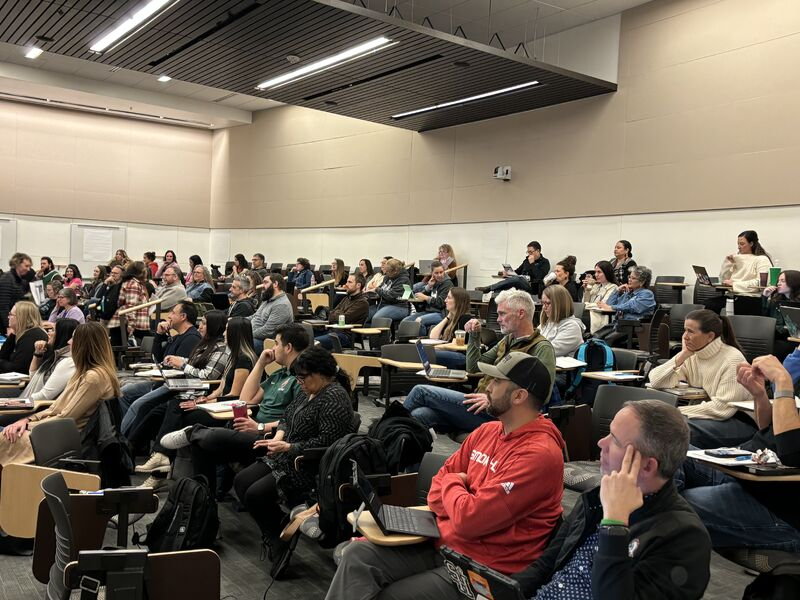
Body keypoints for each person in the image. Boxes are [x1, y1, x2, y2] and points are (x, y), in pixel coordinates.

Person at [326, 353, 565, 600]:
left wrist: (453, 483)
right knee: (358, 558)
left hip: (485, 568)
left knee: (392, 596)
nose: (487, 387)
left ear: (519, 396)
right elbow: (435, 492)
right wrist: (457, 488)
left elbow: (469, 520)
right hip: (444, 542)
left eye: (496, 382)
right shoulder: (487, 431)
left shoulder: (539, 455)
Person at [512, 399, 711, 599]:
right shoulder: (597, 498)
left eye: (615, 440)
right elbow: (547, 563)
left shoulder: (685, 538)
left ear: (647, 466)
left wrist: (614, 524)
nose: (601, 443)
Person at [233, 346, 354, 564]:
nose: (299, 381)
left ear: (319, 373)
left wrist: (289, 447)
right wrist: (278, 438)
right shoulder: (309, 391)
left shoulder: (335, 397)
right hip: (286, 456)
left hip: (308, 464)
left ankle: (278, 538)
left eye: (303, 377)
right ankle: (279, 527)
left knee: (255, 494)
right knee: (241, 481)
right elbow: (286, 418)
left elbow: (326, 443)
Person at [159, 323, 308, 497]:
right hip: (250, 429)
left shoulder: (301, 380)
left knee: (207, 435)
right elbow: (245, 399)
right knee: (200, 446)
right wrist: (260, 364)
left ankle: (192, 432)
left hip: (267, 438)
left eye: (276, 343)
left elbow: (296, 419)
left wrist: (260, 428)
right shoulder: (279, 374)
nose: (273, 348)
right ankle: (205, 504)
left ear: (288, 347)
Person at [677, 355, 800, 553]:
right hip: (745, 471)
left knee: (676, 504)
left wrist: (782, 381)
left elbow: (792, 453)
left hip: (778, 505)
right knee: (661, 445)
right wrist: (759, 395)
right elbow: (769, 430)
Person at [404, 289, 556, 434]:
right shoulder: (508, 340)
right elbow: (474, 368)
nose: (498, 320)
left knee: (420, 391)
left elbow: (543, 396)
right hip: (481, 403)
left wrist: (493, 400)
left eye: (502, 314)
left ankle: (382, 441)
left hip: (502, 413)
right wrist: (475, 336)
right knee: (420, 414)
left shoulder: (541, 347)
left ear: (521, 313)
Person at [146, 317, 258, 481]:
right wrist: (204, 399)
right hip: (219, 404)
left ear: (235, 333)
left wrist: (204, 404)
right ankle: (161, 460)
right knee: (174, 406)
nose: (224, 332)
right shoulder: (233, 355)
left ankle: (161, 462)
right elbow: (221, 388)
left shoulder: (244, 359)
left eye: (228, 329)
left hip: (228, 410)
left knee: (181, 411)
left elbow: (234, 395)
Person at [0, 321, 120, 467]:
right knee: (8, 432)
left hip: (60, 437)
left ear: (84, 345)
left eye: (73, 338)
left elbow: (65, 417)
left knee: (7, 436)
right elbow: (54, 409)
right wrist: (26, 421)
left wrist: (28, 425)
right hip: (53, 429)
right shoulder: (84, 373)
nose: (69, 341)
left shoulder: (93, 378)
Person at [123, 311, 229, 475]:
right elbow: (160, 357)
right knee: (149, 411)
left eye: (205, 323)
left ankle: (158, 455)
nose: (200, 325)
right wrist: (177, 357)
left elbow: (208, 376)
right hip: (182, 386)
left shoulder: (220, 349)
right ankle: (128, 451)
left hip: (195, 391)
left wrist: (182, 365)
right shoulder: (203, 343)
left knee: (150, 405)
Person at [649, 309, 755, 448]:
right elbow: (656, 381)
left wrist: (674, 413)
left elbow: (723, 409)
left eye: (691, 331)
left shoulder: (732, 359)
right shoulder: (692, 355)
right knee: (655, 425)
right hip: (712, 418)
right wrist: (683, 354)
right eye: (684, 330)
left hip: (740, 421)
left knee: (674, 430)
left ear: (710, 336)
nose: (685, 336)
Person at [707, 230, 773, 315]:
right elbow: (723, 279)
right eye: (738, 244)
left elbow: (761, 283)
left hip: (750, 298)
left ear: (751, 244)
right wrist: (727, 264)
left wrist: (735, 284)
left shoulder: (761, 259)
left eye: (742, 244)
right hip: (733, 296)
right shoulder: (736, 258)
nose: (738, 247)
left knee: (714, 305)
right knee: (708, 304)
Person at [595, 265, 657, 346]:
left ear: (642, 282)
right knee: (595, 337)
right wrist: (617, 290)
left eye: (633, 278)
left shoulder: (647, 294)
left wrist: (612, 307)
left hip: (633, 327)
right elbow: (609, 304)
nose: (629, 280)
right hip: (618, 324)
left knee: (607, 340)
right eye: (629, 277)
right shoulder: (628, 293)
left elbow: (632, 306)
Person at [315, 273, 369, 350]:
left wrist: (336, 314)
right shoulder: (346, 299)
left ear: (358, 285)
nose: (346, 284)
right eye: (347, 281)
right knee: (304, 336)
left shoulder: (362, 303)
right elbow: (331, 314)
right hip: (333, 331)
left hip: (346, 336)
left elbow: (344, 318)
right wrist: (337, 314)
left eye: (350, 282)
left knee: (314, 343)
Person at [478, 241, 550, 296]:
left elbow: (540, 277)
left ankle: (489, 288)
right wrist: (508, 273)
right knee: (500, 290)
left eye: (531, 252)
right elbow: (517, 272)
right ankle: (494, 310)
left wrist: (532, 264)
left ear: (538, 251)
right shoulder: (526, 261)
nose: (529, 254)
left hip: (532, 288)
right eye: (528, 252)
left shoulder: (545, 262)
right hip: (520, 283)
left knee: (518, 279)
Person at [401, 261, 453, 334]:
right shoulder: (433, 281)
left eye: (441, 272)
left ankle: (422, 343)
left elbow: (441, 303)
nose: (439, 275)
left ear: (444, 271)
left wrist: (426, 297)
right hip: (427, 311)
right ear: (432, 273)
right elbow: (421, 297)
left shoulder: (447, 284)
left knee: (419, 320)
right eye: (436, 273)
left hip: (440, 313)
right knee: (405, 321)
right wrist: (428, 287)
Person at [107, 261, 150, 346]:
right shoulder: (133, 284)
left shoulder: (133, 283)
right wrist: (131, 328)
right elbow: (130, 307)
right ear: (140, 272)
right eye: (145, 270)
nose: (147, 272)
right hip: (127, 325)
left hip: (126, 324)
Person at [249, 273, 294, 353]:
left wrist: (246, 334)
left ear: (275, 284)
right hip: (255, 336)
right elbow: (255, 316)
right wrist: (239, 320)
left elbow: (268, 331)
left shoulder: (281, 305)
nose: (263, 286)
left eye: (266, 282)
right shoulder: (268, 299)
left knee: (239, 344)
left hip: (269, 342)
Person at [429, 287, 472, 370]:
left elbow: (454, 346)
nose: (445, 300)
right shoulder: (451, 319)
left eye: (448, 298)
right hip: (452, 353)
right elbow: (433, 336)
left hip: (463, 357)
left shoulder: (465, 319)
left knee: (428, 353)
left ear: (458, 301)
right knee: (426, 352)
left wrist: (433, 348)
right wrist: (448, 317)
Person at [0, 301, 48, 375]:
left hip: (24, 383)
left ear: (21, 317)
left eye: (11, 314)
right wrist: (13, 333)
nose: (8, 317)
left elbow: (17, 369)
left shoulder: (32, 335)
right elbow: (3, 356)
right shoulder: (26, 332)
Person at [762, 269, 800, 360]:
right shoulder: (775, 300)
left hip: (791, 340)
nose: (778, 283)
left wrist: (781, 328)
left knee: (780, 348)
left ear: (793, 283)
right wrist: (764, 297)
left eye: (782, 281)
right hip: (774, 337)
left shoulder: (797, 303)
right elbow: (764, 319)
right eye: (778, 281)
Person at [538, 284, 585, 358]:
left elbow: (548, 351)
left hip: (560, 369)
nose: (544, 308)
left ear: (560, 304)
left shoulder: (572, 327)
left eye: (547, 303)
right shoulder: (548, 322)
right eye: (543, 303)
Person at [368, 258, 411, 325]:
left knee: (378, 318)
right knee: (363, 314)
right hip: (384, 304)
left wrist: (377, 290)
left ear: (395, 271)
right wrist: (372, 292)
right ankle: (363, 334)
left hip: (399, 307)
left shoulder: (404, 280)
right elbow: (381, 288)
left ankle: (381, 335)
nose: (386, 273)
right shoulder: (387, 277)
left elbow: (391, 296)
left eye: (388, 271)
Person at [582, 260, 619, 333]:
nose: (596, 275)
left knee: (580, 318)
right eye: (595, 272)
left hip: (601, 316)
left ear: (607, 273)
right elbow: (584, 303)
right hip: (590, 313)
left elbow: (602, 305)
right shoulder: (596, 286)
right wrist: (588, 289)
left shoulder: (613, 287)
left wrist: (586, 305)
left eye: (599, 272)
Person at [0, 252, 32, 331]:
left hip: (15, 323)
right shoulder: (6, 279)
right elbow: (3, 306)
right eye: (26, 266)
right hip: (5, 325)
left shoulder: (21, 281)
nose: (28, 269)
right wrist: (8, 327)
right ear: (17, 264)